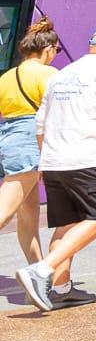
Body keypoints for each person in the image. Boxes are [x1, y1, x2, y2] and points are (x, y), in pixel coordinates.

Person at [16, 21, 96, 310]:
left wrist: (47, 158)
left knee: (66, 224)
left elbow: (40, 122)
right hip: (91, 157)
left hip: (55, 160)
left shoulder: (64, 73)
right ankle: (41, 271)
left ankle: (61, 288)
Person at [0, 17, 59, 277]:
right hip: (32, 140)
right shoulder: (49, 74)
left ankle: (38, 273)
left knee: (28, 216)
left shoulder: (7, 76)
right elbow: (58, 113)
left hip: (9, 137)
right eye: (56, 51)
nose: (55, 56)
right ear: (48, 49)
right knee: (5, 210)